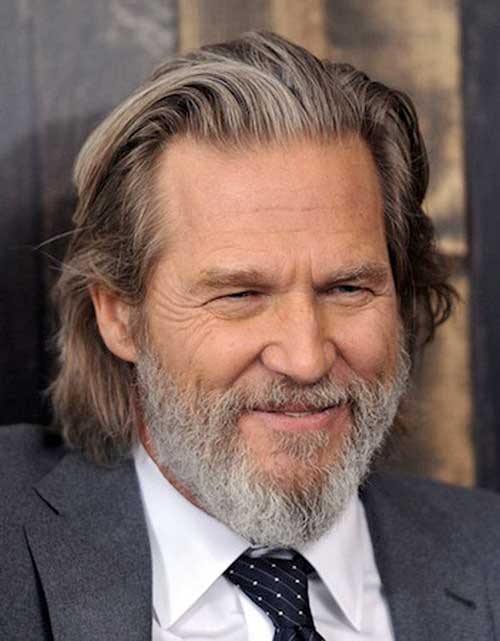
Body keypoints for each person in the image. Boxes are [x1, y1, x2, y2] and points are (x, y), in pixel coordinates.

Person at [1, 31, 499, 641]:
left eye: (347, 288)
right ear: (119, 316)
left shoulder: (488, 556)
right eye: (240, 295)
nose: (305, 359)